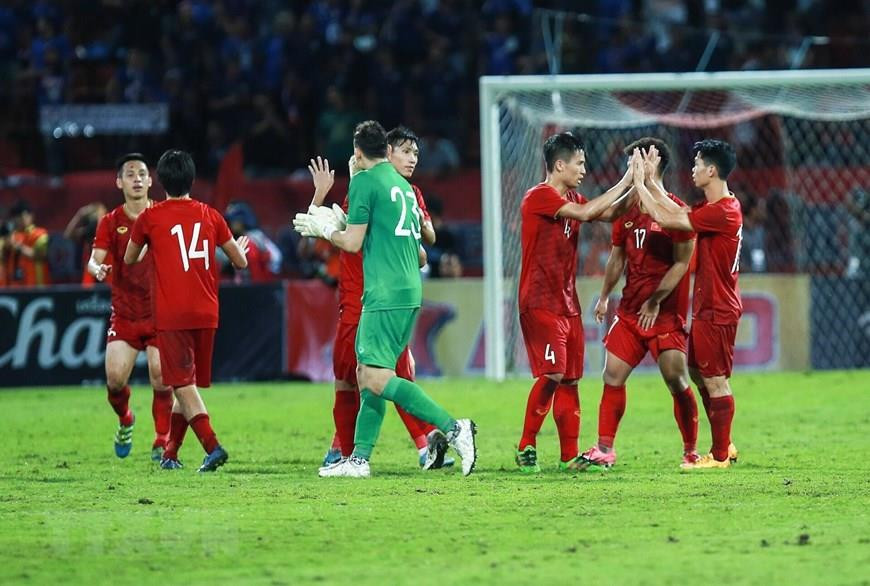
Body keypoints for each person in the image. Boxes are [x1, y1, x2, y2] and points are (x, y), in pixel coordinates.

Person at [294, 120, 477, 478]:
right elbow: (421, 252)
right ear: (387, 150)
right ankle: (359, 460)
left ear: (357, 152)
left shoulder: (364, 181)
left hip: (384, 293)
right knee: (367, 373)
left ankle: (453, 428)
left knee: (375, 378)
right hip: (408, 289)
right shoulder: (405, 188)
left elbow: (352, 244)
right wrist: (345, 218)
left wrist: (326, 228)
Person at [514, 131, 636, 474]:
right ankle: (525, 445)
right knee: (553, 371)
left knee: (569, 378)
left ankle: (568, 456)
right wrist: (626, 177)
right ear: (559, 165)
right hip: (539, 301)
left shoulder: (575, 197)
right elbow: (586, 215)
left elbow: (610, 212)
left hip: (567, 303)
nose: (584, 169)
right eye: (579, 163)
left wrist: (640, 185)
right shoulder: (539, 197)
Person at [577, 137, 699, 471]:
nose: (630, 166)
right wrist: (604, 296)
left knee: (675, 378)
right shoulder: (627, 211)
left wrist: (656, 301)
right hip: (631, 312)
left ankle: (691, 451)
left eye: (636, 160)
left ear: (653, 162)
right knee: (612, 374)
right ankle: (605, 448)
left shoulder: (674, 209)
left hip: (665, 314)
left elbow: (682, 264)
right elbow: (617, 257)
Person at [124, 150, 249, 472]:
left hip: (172, 314)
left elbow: (129, 258)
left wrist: (153, 246)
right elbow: (241, 261)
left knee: (181, 384)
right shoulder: (211, 214)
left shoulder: (150, 218)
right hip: (207, 313)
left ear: (160, 181)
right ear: (192, 180)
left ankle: (212, 445)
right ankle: (171, 453)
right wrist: (237, 250)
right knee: (187, 384)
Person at [631, 139, 742, 469]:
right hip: (711, 305)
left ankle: (721, 454)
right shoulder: (719, 208)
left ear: (711, 170)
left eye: (696, 164)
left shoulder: (722, 211)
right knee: (697, 372)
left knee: (716, 380)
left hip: (718, 308)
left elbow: (667, 220)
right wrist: (652, 182)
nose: (692, 169)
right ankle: (724, 444)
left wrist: (640, 183)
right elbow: (679, 213)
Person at [88, 154, 173, 461]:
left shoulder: (164, 215)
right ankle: (125, 419)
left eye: (142, 174)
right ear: (119, 182)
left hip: (161, 311)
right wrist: (96, 268)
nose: (137, 179)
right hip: (125, 313)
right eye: (130, 174)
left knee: (160, 374)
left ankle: (162, 438)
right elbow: (95, 257)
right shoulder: (110, 222)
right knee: (114, 380)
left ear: (151, 181)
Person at [3, 200, 51, 287]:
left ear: (31, 216)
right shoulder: (11, 236)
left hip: (37, 287)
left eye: (22, 215)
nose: (18, 219)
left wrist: (19, 247)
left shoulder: (40, 234)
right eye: (16, 216)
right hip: (16, 288)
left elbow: (41, 256)